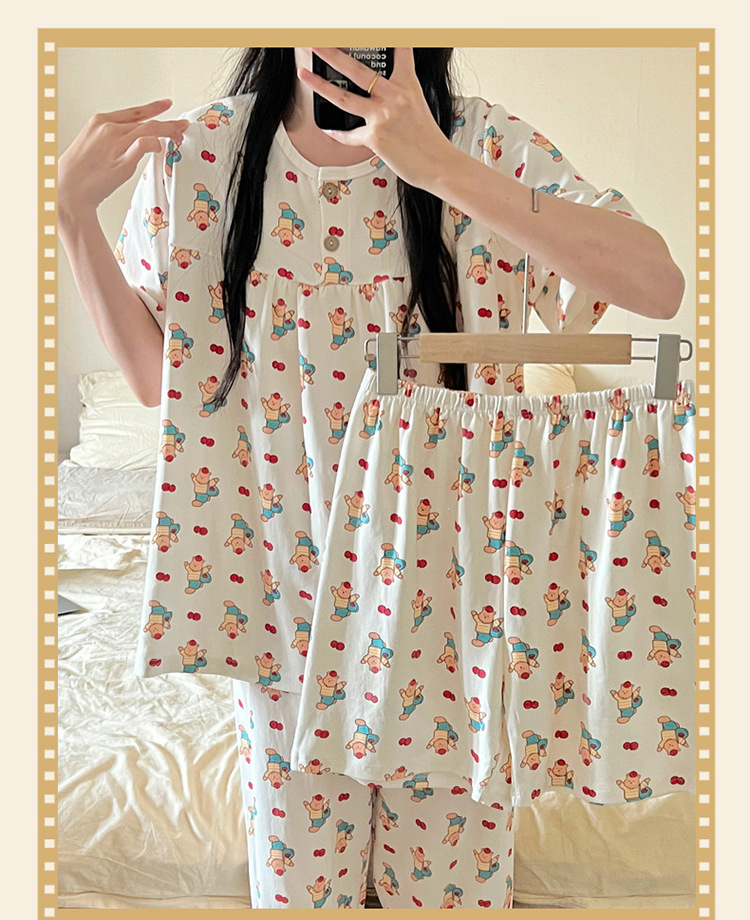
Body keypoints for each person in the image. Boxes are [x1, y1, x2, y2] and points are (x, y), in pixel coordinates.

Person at [58, 47, 686, 910]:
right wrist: (71, 215)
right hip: (283, 619)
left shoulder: (478, 143)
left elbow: (656, 286)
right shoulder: (202, 157)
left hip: (455, 622)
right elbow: (157, 380)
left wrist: (440, 169)